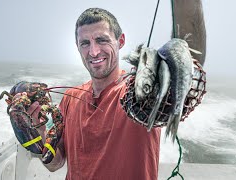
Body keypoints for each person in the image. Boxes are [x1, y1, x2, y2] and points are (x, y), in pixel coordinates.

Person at [29, 1, 206, 179]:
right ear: (77, 47)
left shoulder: (139, 93)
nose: (94, 51)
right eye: (85, 43)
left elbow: (187, 61)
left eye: (101, 40)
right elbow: (56, 163)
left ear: (120, 41)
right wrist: (41, 129)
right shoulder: (69, 97)